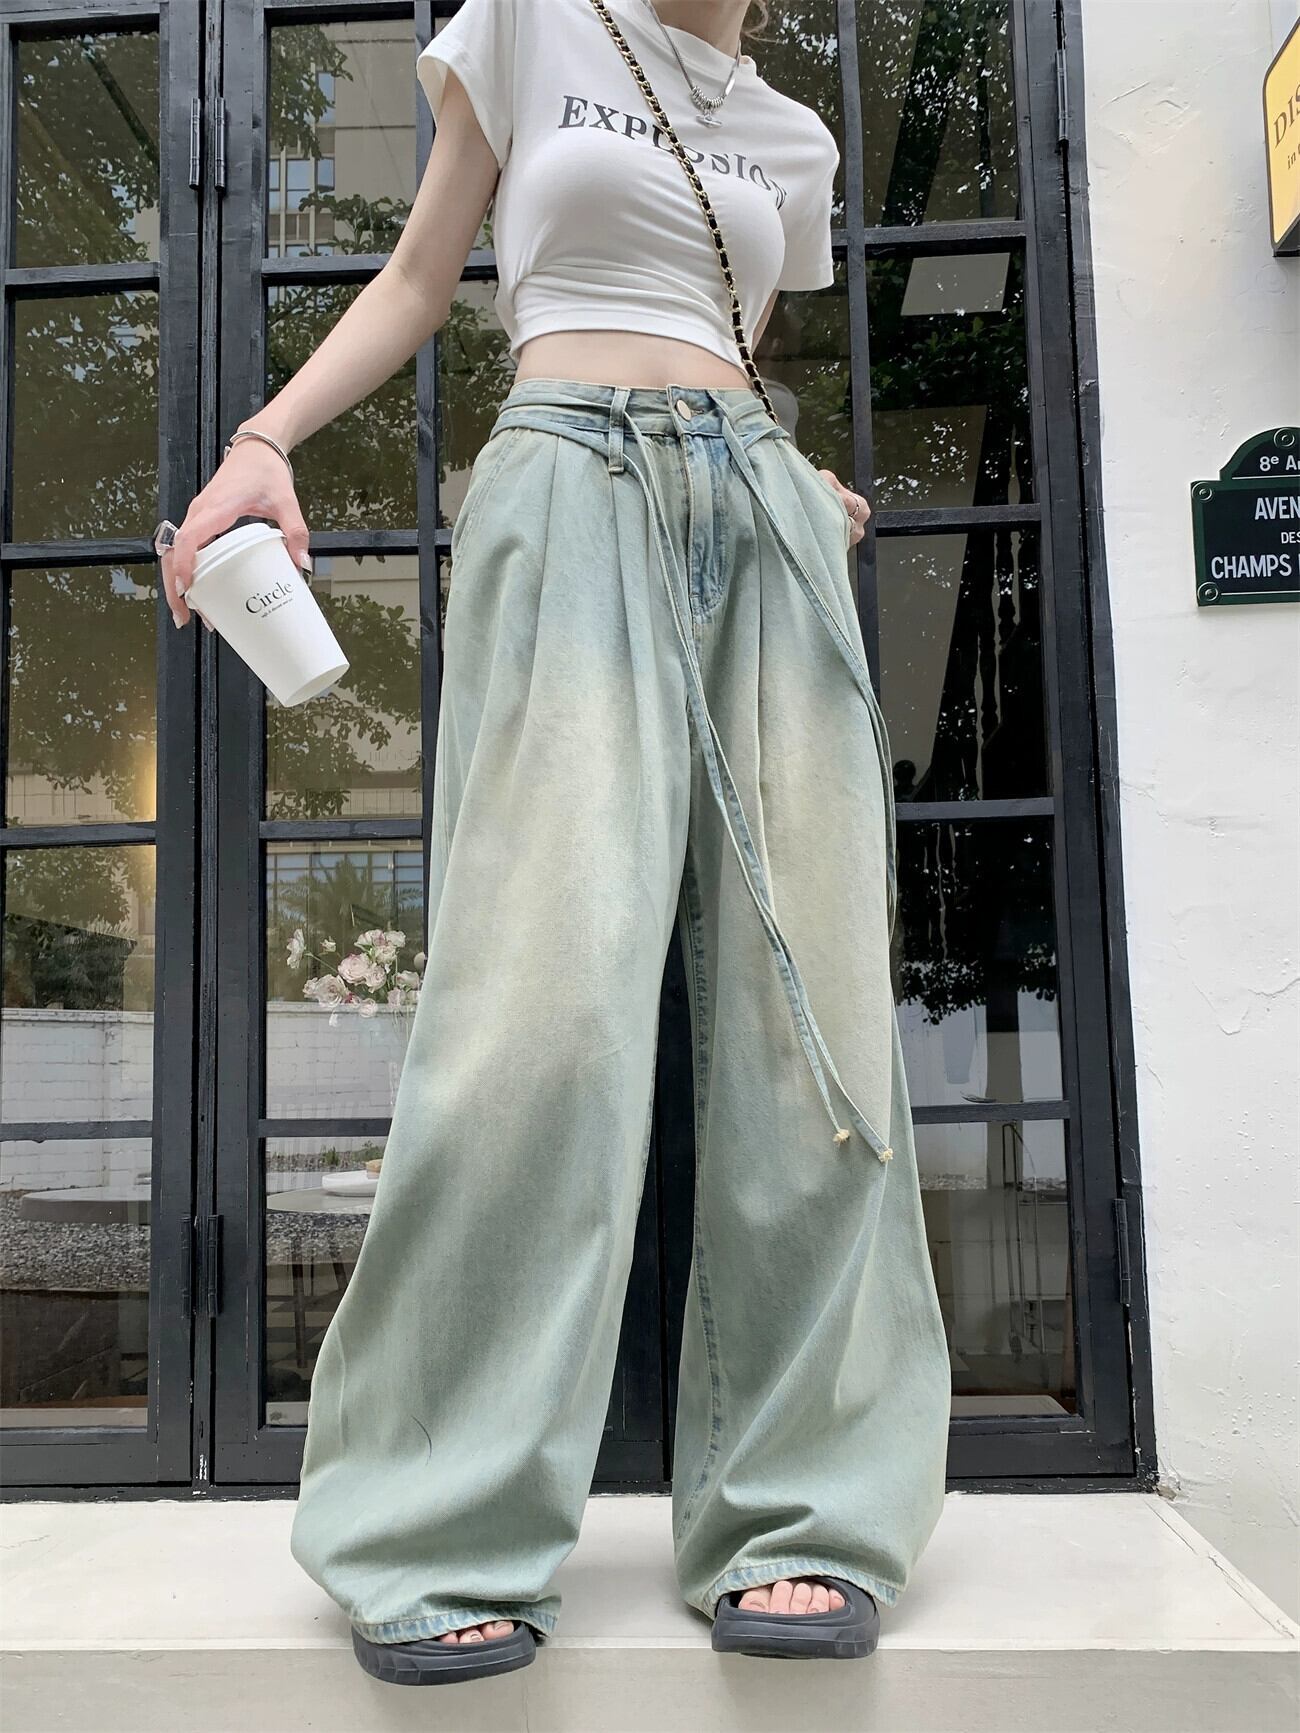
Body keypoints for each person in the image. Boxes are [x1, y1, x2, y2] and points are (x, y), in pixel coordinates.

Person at [160, 0, 952, 1687]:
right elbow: (417, 276)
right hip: (566, 482)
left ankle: (804, 1507)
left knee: (809, 1019)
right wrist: (260, 445)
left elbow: (728, 337)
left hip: (762, 517)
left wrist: (788, 483)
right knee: (541, 1015)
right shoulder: (529, 22)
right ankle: (438, 1518)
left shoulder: (794, 133)